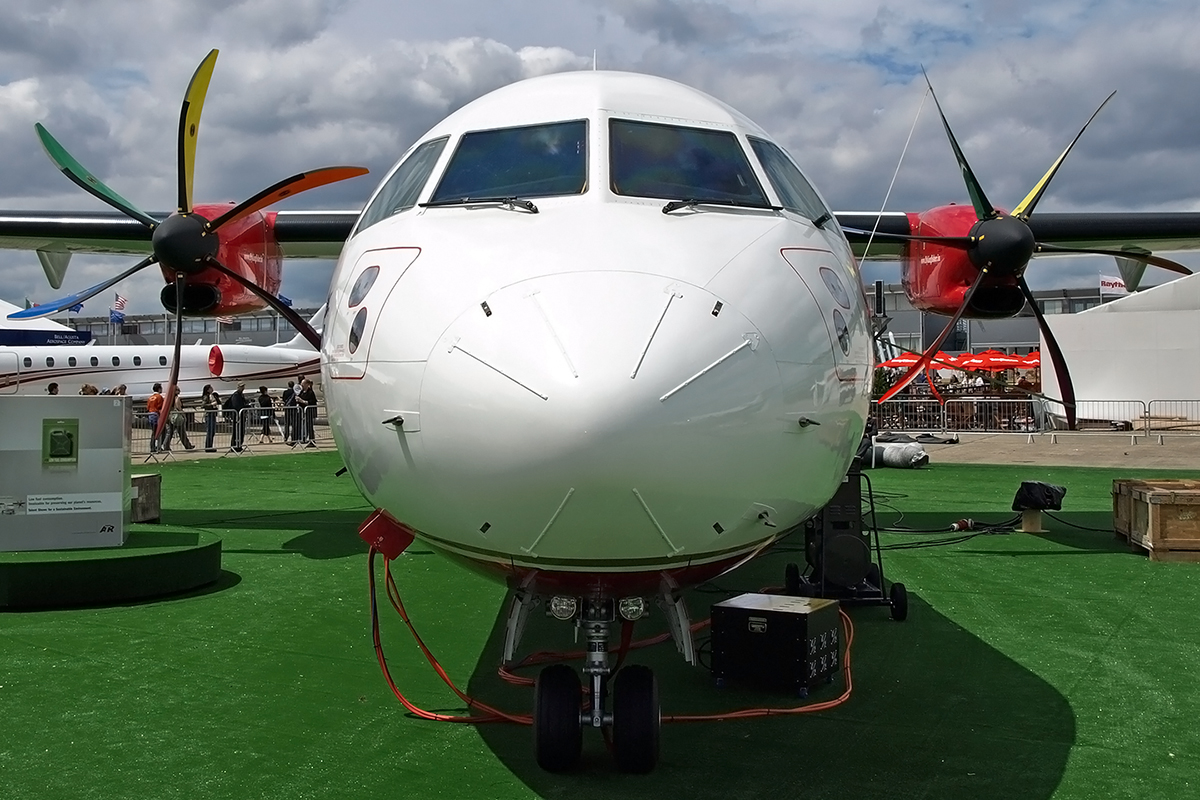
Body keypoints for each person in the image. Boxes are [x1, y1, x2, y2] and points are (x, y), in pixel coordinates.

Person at [225, 383, 249, 451]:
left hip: (241, 415)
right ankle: (234, 446)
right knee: (236, 431)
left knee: (241, 431)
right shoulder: (236, 395)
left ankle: (239, 445)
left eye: (243, 386)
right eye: (241, 387)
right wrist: (245, 407)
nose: (243, 388)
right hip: (236, 416)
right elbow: (237, 406)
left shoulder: (241, 395)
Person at [296, 378, 318, 447]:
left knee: (309, 426)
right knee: (304, 426)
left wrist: (302, 401)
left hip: (309, 411)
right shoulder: (301, 392)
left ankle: (312, 440)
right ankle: (304, 438)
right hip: (302, 412)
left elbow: (312, 402)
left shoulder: (310, 392)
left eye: (303, 384)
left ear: (307, 384)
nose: (301, 385)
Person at [201, 384, 221, 452]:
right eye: (210, 388)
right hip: (209, 415)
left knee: (212, 431)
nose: (212, 389)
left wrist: (217, 398)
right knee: (209, 431)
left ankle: (210, 446)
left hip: (213, 414)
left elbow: (219, 402)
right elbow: (203, 405)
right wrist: (211, 405)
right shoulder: (206, 397)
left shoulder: (213, 395)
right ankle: (208, 447)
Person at [147, 383, 166, 453]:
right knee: (161, 431)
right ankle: (158, 446)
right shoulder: (159, 397)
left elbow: (148, 407)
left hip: (150, 415)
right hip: (156, 415)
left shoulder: (150, 398)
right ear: (159, 389)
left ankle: (153, 446)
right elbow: (161, 407)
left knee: (153, 432)